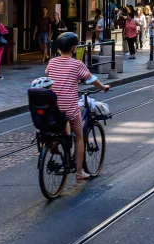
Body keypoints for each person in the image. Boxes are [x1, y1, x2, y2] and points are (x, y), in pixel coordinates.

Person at [45, 32, 111, 182]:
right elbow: (91, 79)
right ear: (74, 48)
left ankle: (55, 143)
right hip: (69, 108)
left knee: (62, 122)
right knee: (79, 137)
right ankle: (80, 173)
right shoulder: (77, 64)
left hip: (54, 108)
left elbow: (49, 76)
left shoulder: (52, 62)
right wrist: (103, 87)